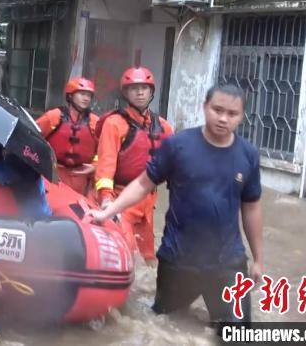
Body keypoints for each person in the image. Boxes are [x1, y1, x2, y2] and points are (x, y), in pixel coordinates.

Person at [90, 84, 263, 327]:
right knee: (165, 325)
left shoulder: (248, 155)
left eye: (232, 114)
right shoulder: (178, 145)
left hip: (228, 262)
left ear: (242, 117)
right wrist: (107, 211)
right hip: (178, 260)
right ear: (205, 107)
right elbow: (143, 184)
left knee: (237, 335)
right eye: (217, 110)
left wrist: (258, 259)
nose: (223, 118)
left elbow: (251, 207)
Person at [93, 67, 174, 265]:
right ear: (125, 93)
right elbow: (105, 165)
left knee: (149, 258)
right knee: (127, 254)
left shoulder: (164, 126)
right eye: (134, 88)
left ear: (151, 92)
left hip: (148, 201)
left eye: (144, 88)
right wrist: (106, 199)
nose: (139, 92)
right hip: (121, 198)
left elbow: (176, 166)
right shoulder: (114, 123)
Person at [36, 77, 98, 195]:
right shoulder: (53, 116)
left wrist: (95, 166)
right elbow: (32, 136)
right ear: (70, 95)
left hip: (81, 178)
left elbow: (105, 151)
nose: (86, 98)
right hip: (53, 174)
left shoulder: (95, 122)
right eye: (82, 94)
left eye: (89, 95)